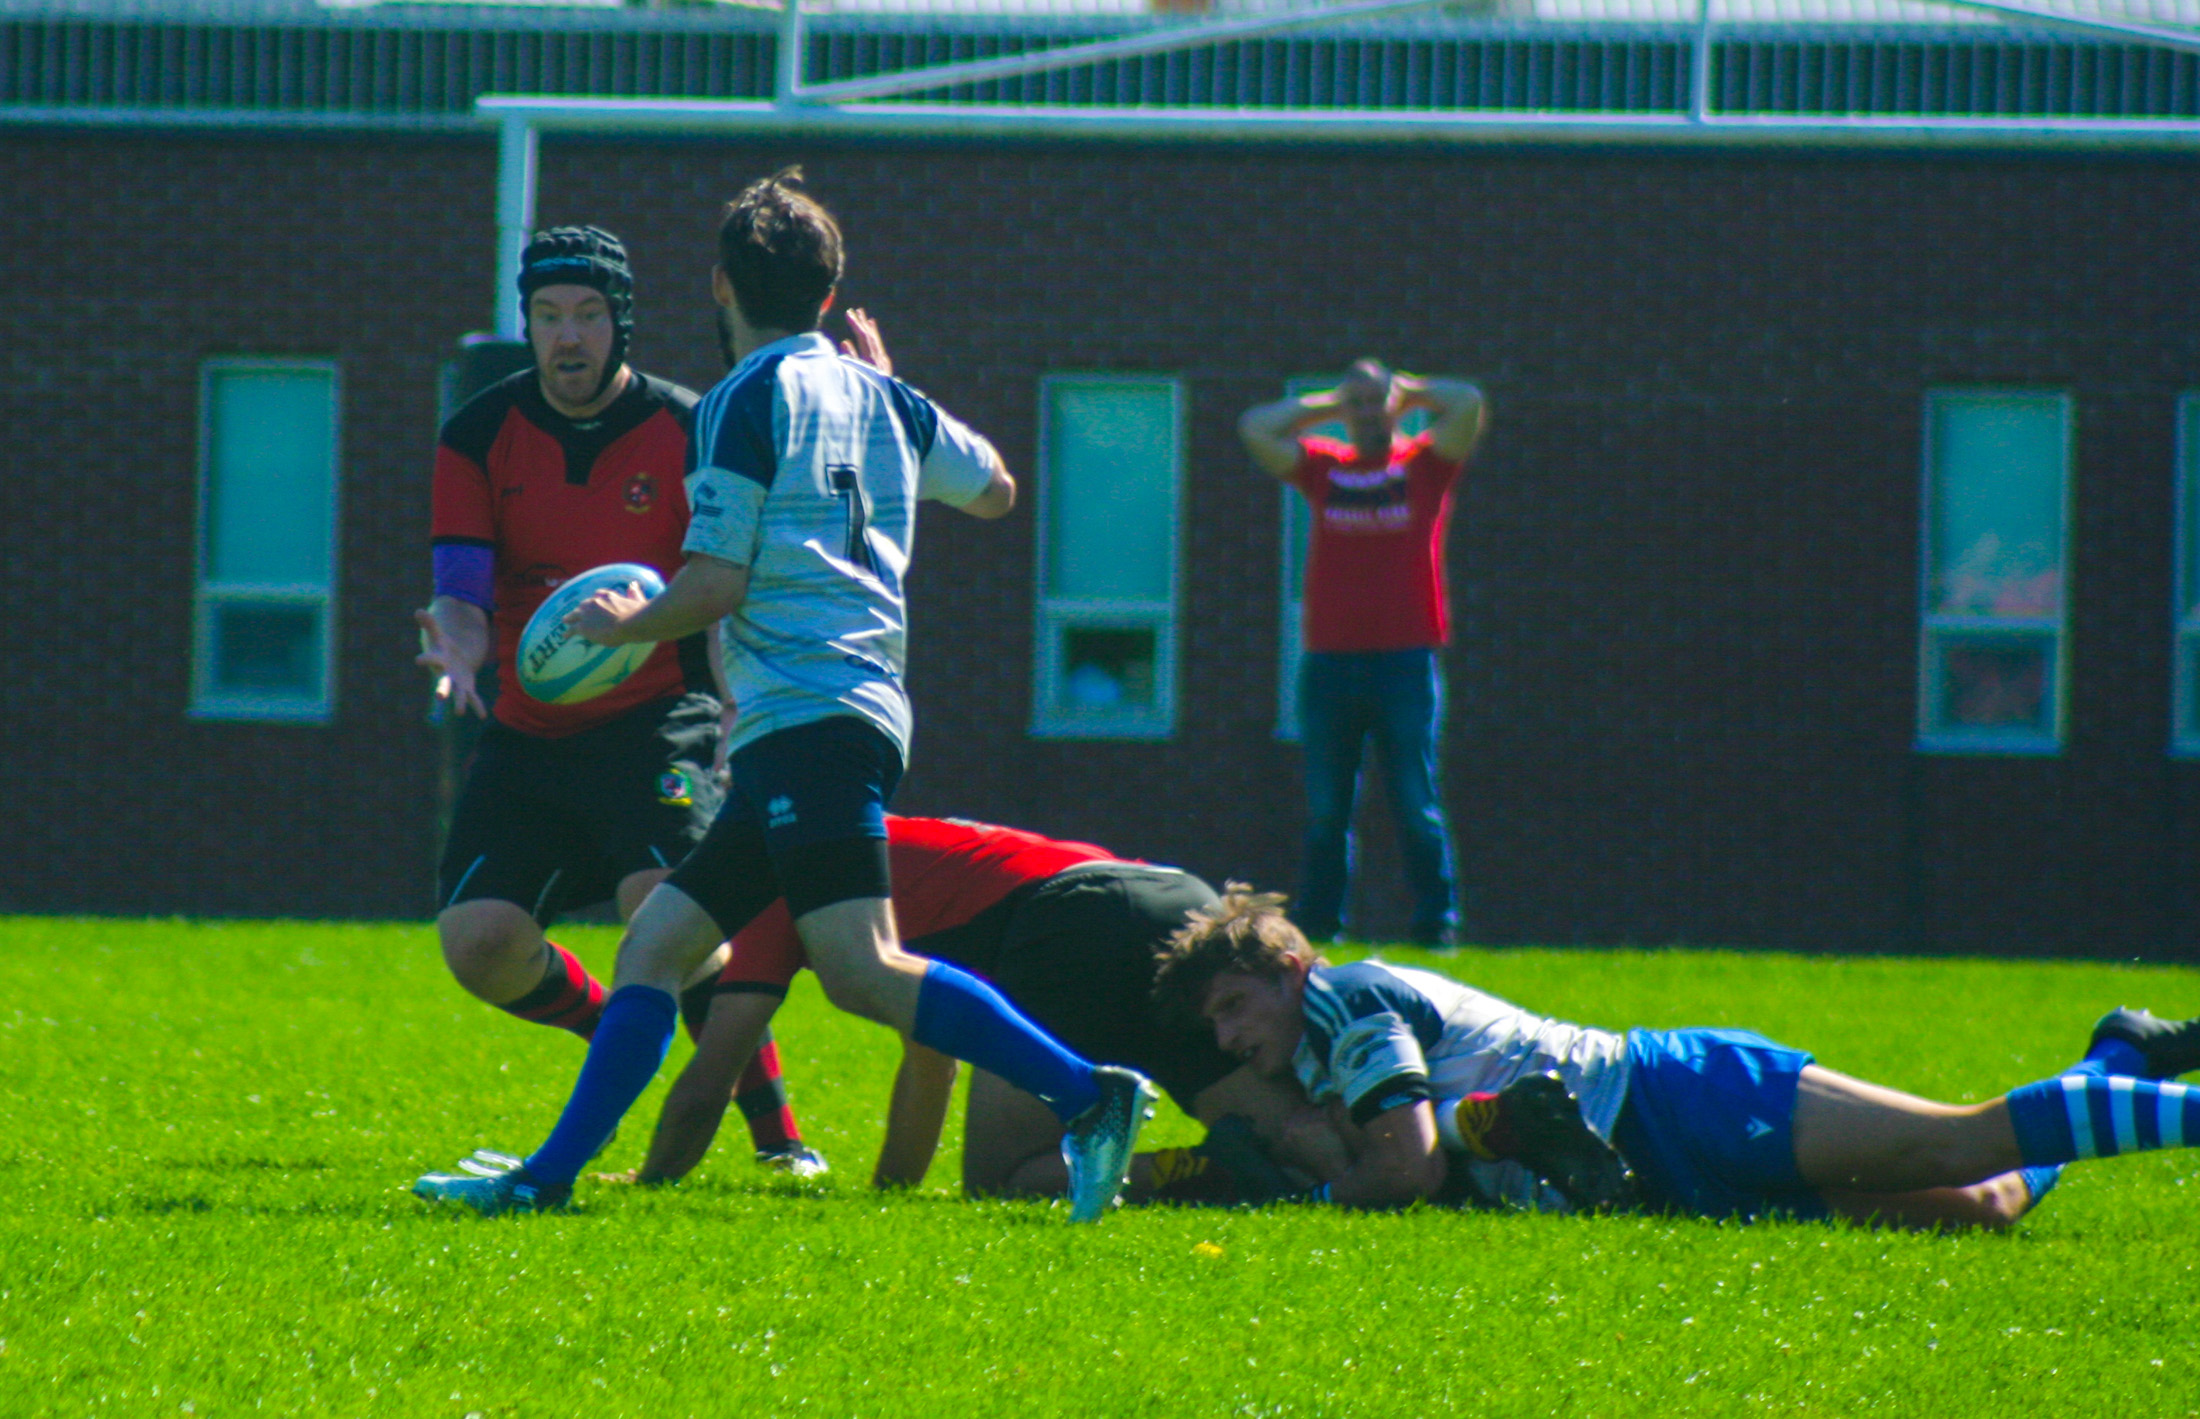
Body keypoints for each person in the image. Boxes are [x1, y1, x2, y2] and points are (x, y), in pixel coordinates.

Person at [413, 169, 1155, 1222]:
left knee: (863, 968)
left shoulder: (737, 402)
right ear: (829, 289)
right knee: (656, 946)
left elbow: (717, 583)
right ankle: (542, 1182)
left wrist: (619, 626)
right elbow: (995, 490)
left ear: (720, 287)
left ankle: (1088, 1097)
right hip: (826, 715)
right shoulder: (885, 398)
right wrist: (896, 397)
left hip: (813, 713)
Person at [609, 814, 1626, 1211]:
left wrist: (646, 1182)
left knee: (1005, 1183)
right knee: (1290, 1129)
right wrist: (886, 1195)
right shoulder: (855, 838)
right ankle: (1462, 1154)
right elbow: (931, 1050)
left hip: (1066, 928)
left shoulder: (778, 879)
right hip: (1161, 895)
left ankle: (1196, 1174)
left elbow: (711, 1073)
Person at [413, 223, 816, 1174]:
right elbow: (461, 591)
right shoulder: (477, 433)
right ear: (527, 324)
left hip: (658, 720)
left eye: (589, 315)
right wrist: (458, 649)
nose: (568, 336)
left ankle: (779, 1139)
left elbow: (720, 584)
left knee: (666, 912)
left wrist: (736, 702)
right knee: (477, 942)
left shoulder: (690, 428)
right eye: (549, 315)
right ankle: (617, 1031)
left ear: (620, 324)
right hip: (530, 734)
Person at [1153, 885, 2200, 1228]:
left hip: (1666, 1095)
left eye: (1236, 1006)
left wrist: (1309, 1191)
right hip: (1656, 1170)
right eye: (1216, 1027)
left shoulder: (1344, 999)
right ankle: (2122, 1053)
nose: (1231, 1038)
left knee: (1959, 1145)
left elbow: (1408, 1168)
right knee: (1984, 1204)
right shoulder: (1322, 1055)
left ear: (1290, 967)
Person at [1238, 362, 1486, 946]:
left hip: (1405, 661)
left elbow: (1468, 401)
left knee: (1415, 799)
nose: (1369, 414)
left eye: (1378, 403)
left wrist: (1409, 392)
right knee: (1328, 806)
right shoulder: (1325, 468)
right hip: (1330, 662)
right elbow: (1255, 428)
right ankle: (1321, 924)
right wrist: (1334, 402)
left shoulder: (1424, 465)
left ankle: (1436, 925)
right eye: (1359, 405)